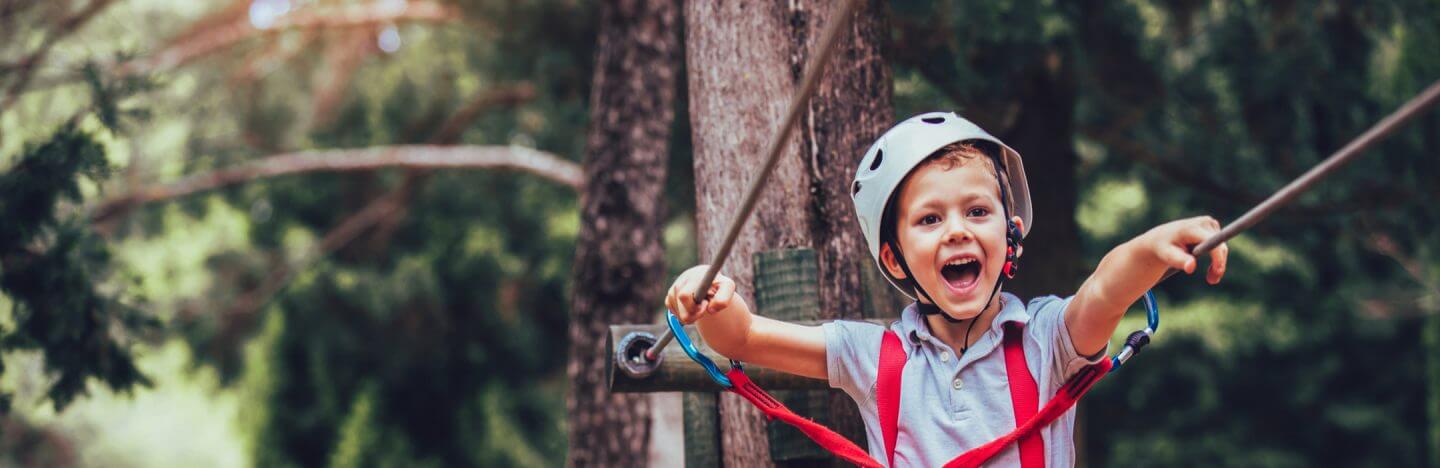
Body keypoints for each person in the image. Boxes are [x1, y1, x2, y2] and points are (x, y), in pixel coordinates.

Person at [664, 111, 1229, 467]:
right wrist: (711, 297)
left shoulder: (1046, 341)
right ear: (895, 257)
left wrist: (1150, 249)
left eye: (977, 211)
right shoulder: (874, 356)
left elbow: (1105, 289)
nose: (958, 229)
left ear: (1009, 236)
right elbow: (744, 337)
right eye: (930, 220)